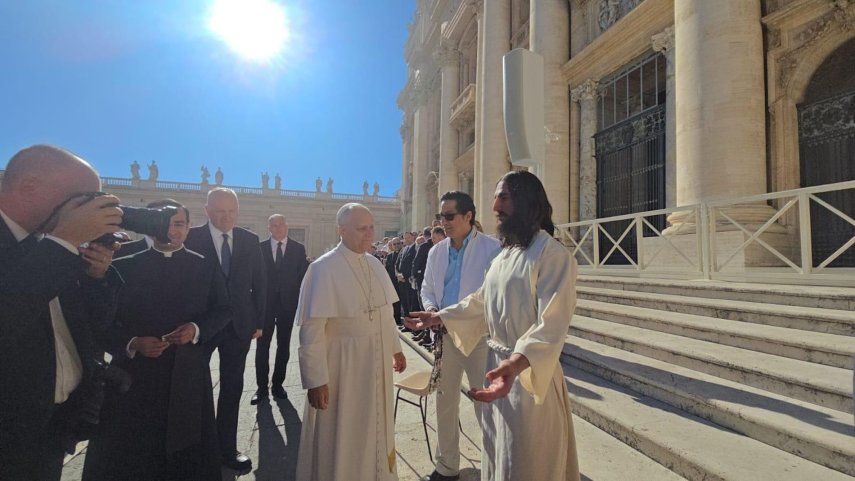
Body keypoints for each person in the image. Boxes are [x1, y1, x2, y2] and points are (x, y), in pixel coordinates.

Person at [406, 171, 580, 481]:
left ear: (527, 201)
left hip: (528, 379)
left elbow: (552, 322)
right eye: (496, 196)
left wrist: (515, 362)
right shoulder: (506, 255)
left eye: (504, 196)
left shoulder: (552, 254)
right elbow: (479, 302)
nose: (495, 204)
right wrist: (439, 317)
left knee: (524, 461)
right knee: (497, 454)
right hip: (498, 368)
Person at [82, 200, 231, 481]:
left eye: (179, 224)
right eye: (166, 223)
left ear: (188, 228)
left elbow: (223, 310)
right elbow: (101, 323)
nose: (172, 230)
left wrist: (196, 329)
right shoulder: (122, 267)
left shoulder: (205, 267)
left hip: (186, 375)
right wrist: (133, 342)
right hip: (135, 377)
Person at [0, 145, 123, 480]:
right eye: (83, 199)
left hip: (53, 431)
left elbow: (93, 325)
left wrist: (96, 277)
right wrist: (61, 244)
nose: (92, 210)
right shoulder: (55, 246)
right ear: (28, 187)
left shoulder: (51, 245)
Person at [296, 203, 407, 481]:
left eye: (371, 227)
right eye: (361, 229)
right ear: (341, 230)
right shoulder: (323, 269)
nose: (369, 234)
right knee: (345, 428)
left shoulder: (374, 264)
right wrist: (316, 379)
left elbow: (384, 313)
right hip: (342, 367)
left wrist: (396, 349)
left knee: (376, 426)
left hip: (377, 362)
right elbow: (311, 329)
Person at [418, 192, 500, 481]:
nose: (444, 222)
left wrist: (444, 315)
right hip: (445, 336)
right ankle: (447, 465)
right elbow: (428, 287)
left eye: (450, 216)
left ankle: (496, 466)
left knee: (485, 403)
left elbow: (487, 297)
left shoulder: (493, 249)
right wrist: (430, 310)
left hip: (478, 337)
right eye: (442, 217)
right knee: (444, 401)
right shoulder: (436, 251)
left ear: (468, 216)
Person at [184, 187, 267, 471]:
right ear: (206, 211)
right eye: (219, 211)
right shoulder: (191, 237)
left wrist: (259, 321)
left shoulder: (249, 239)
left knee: (233, 387)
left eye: (231, 211)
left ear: (238, 211)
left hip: (239, 324)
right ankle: (196, 447)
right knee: (195, 388)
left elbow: (260, 283)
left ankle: (226, 448)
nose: (226, 216)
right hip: (201, 325)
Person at [252, 214, 309, 405]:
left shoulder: (298, 249)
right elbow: (253, 278)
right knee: (262, 346)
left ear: (287, 226)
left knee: (283, 346)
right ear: (269, 228)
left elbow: (302, 278)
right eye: (274, 225)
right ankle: (261, 388)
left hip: (287, 306)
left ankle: (278, 384)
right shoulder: (258, 248)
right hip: (264, 306)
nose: (278, 228)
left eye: (281, 224)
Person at [396, 231, 417, 318]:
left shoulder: (416, 248)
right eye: (405, 238)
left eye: (408, 237)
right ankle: (407, 324)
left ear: (413, 237)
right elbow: (397, 264)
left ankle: (413, 325)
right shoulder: (403, 250)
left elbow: (415, 264)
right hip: (401, 281)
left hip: (410, 281)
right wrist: (398, 275)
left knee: (411, 303)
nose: (406, 239)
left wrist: (407, 276)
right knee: (404, 302)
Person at [384, 237, 404, 326]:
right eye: (394, 244)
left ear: (401, 244)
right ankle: (396, 320)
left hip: (403, 282)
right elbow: (386, 270)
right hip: (392, 283)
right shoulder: (389, 256)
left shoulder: (404, 253)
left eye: (398, 244)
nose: (396, 246)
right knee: (395, 302)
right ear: (391, 246)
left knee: (404, 301)